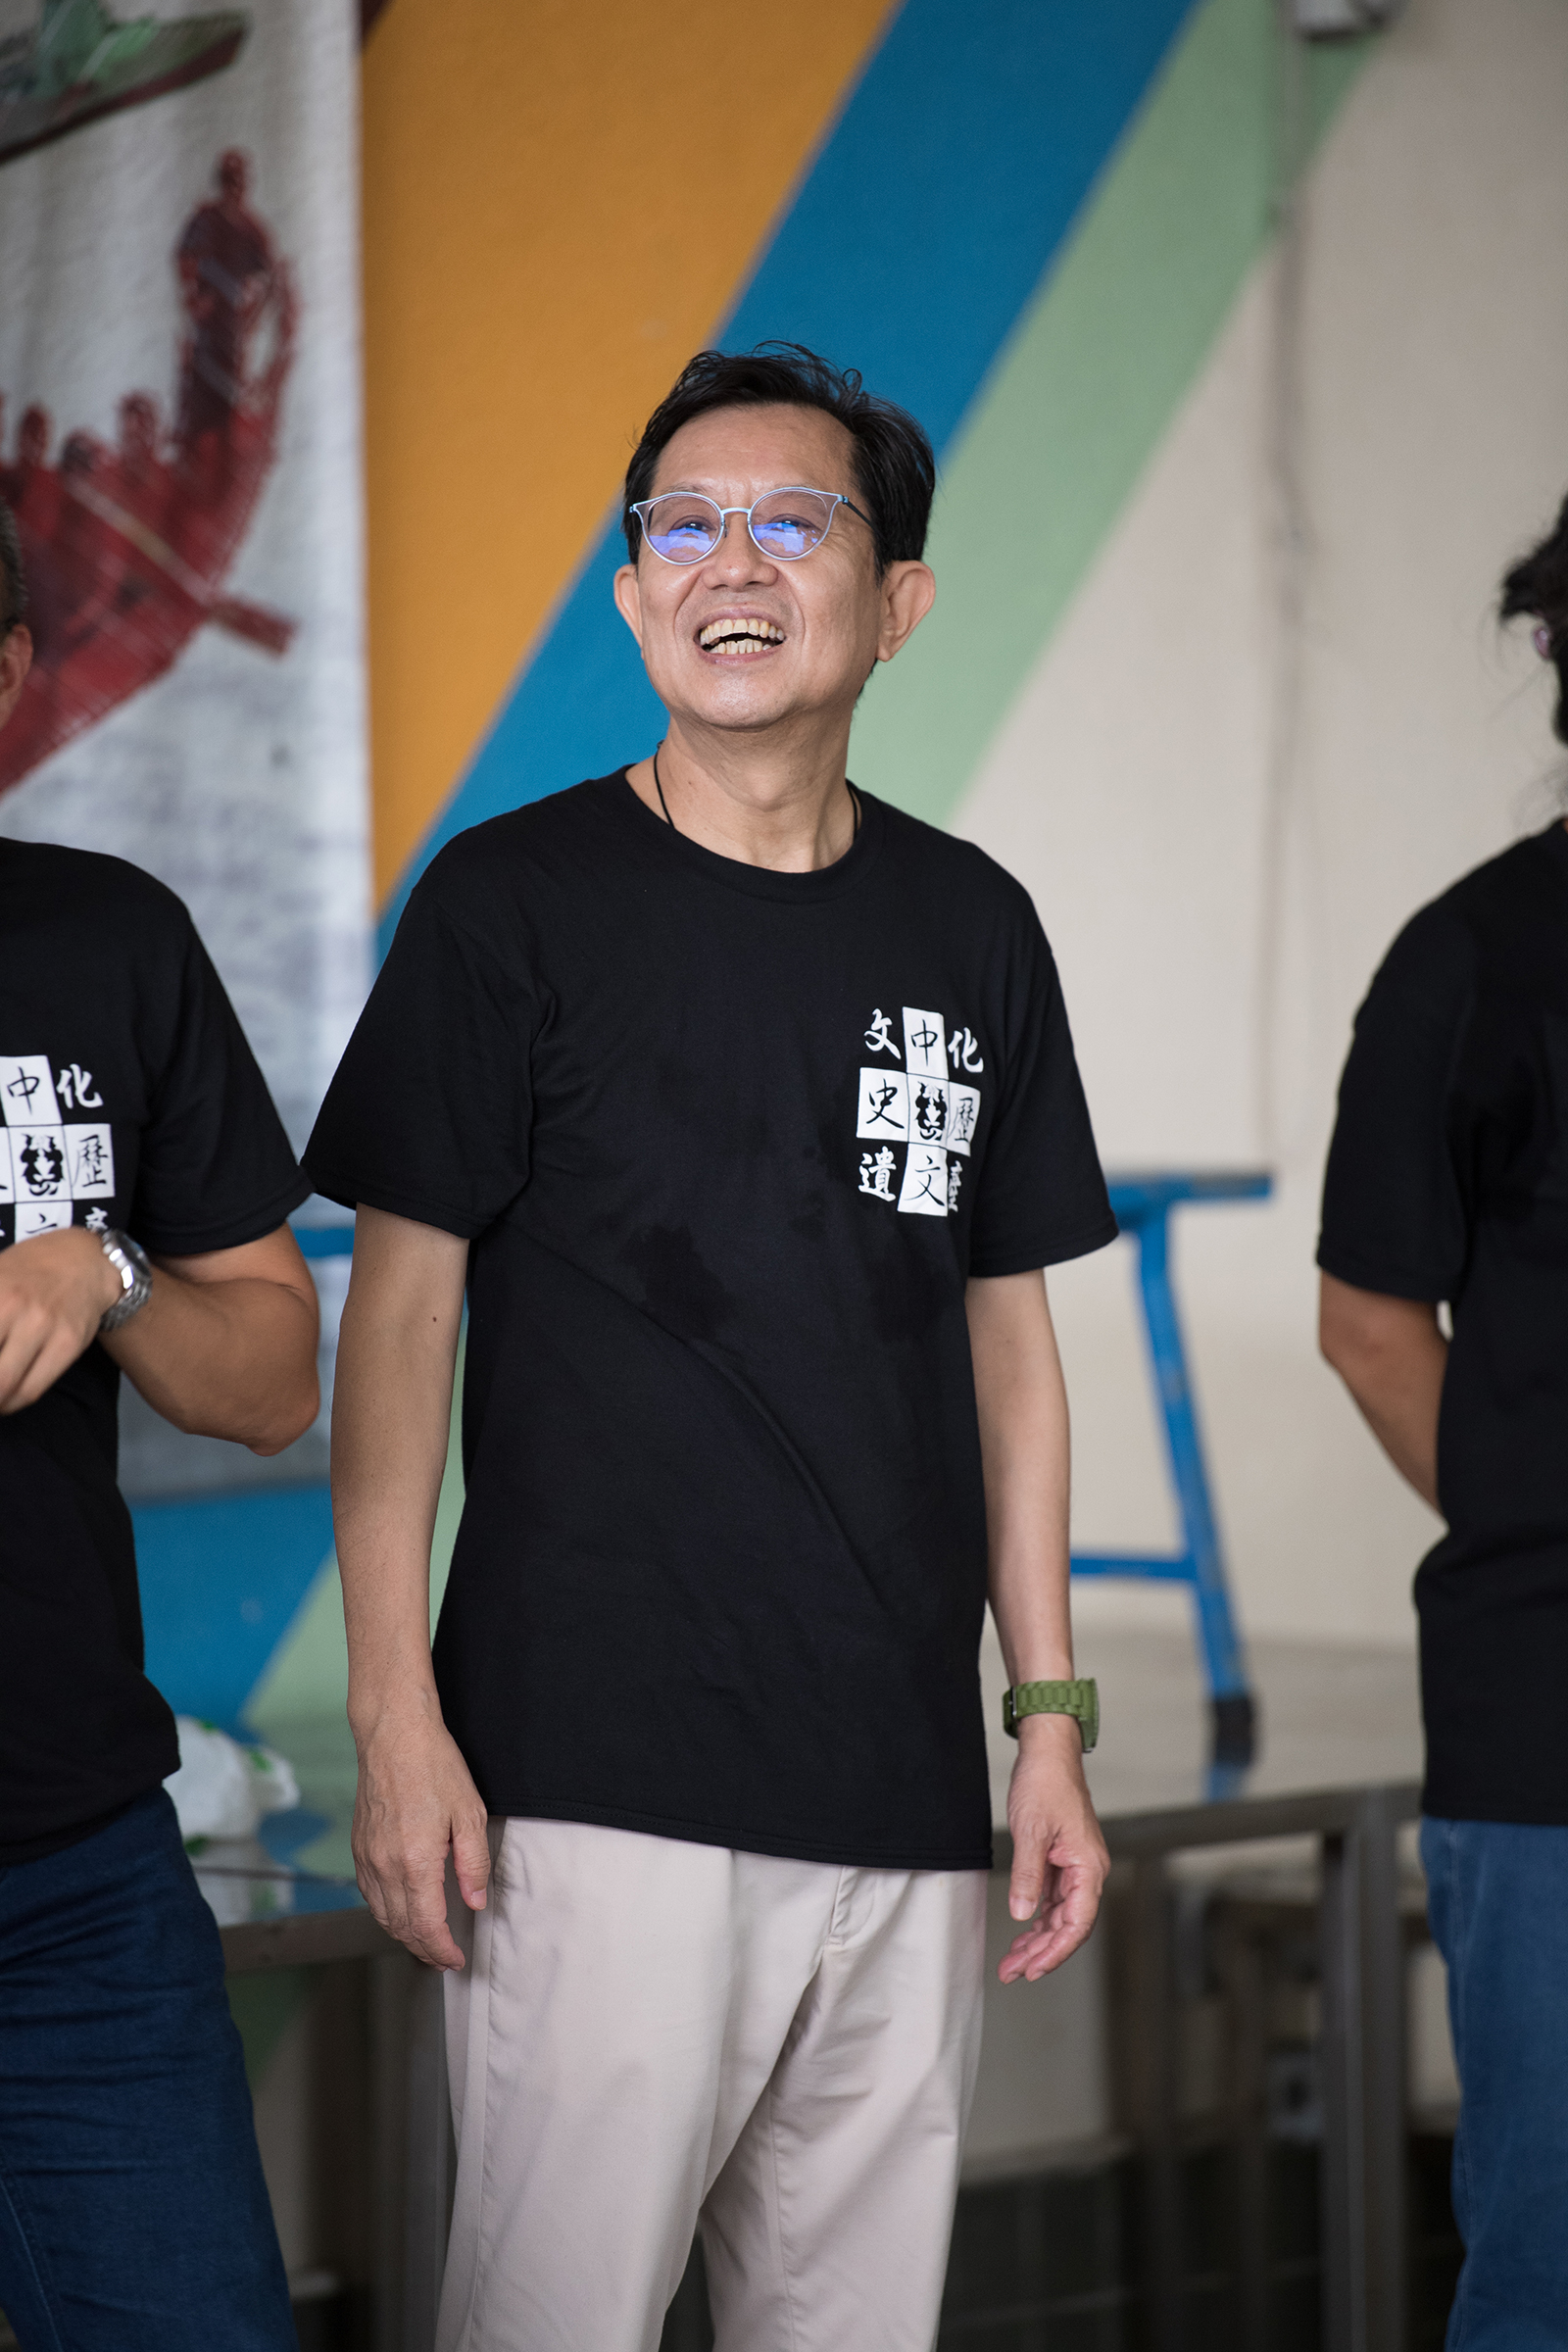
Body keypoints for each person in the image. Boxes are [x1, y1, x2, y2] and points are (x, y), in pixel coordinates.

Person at [307, 343, 1117, 2352]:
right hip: (594, 1795)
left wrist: (1044, 1719)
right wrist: (397, 1721)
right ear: (628, 591)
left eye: (787, 521)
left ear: (897, 601)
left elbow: (1006, 1345)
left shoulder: (972, 927)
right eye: (680, 525)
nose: (726, 562)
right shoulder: (512, 906)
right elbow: (397, 1324)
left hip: (903, 1791)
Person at [0, 497, 319, 2351]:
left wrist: (105, 1271)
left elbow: (273, 1380)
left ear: (11, 676)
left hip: (72, 1880)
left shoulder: (107, 941)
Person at [1318, 494, 1568, 2351]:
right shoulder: (1473, 958)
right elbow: (1370, 1319)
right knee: (1551, 2267)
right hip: (1547, 1721)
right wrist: (1526, 1511)